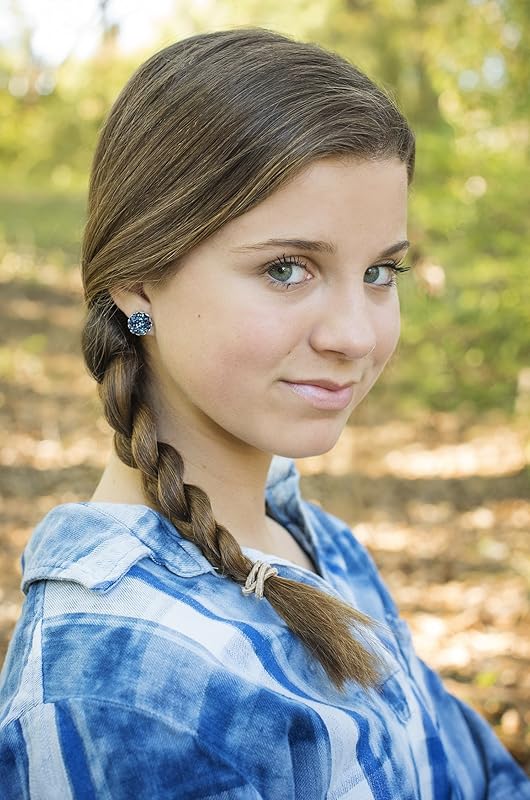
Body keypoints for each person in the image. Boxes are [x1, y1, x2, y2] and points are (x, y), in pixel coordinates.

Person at [0, 27, 528, 800]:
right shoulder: (124, 690)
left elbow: (476, 778)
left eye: (381, 272)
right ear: (139, 281)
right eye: (286, 269)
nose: (355, 336)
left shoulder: (316, 543)